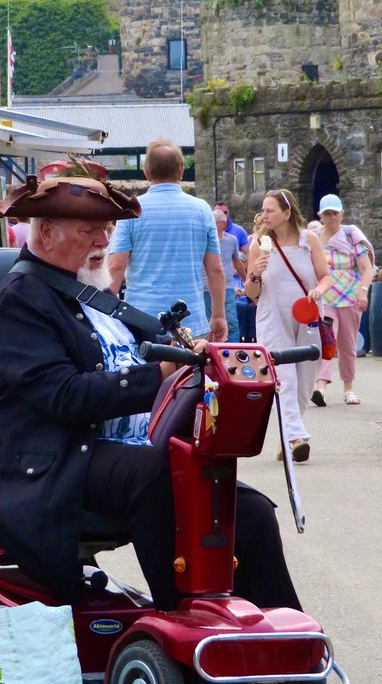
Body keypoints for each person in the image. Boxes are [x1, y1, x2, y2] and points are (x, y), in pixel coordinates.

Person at [0, 164, 303, 617]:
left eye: (107, 229)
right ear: (45, 233)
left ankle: (282, 640)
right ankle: (186, 618)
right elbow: (65, 397)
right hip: (49, 458)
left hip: (112, 447)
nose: (105, 241)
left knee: (240, 503)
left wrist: (195, 359)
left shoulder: (88, 292)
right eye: (90, 231)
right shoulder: (19, 299)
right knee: (151, 473)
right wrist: (161, 371)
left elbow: (129, 364)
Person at [107, 141, 227, 341]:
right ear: (181, 171)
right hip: (191, 320)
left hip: (140, 321)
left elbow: (116, 266)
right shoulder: (202, 210)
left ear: (146, 172)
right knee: (190, 373)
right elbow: (215, 269)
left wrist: (106, 315)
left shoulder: (133, 211)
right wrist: (218, 315)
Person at [244, 189, 331, 463]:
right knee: (286, 379)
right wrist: (256, 273)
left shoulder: (309, 240)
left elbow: (325, 277)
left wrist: (318, 290)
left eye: (270, 210)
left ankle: (288, 437)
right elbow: (251, 293)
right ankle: (297, 436)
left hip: (306, 315)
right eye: (263, 210)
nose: (264, 215)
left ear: (286, 213)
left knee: (305, 381)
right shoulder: (263, 244)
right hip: (272, 316)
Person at [310, 194, 374, 407]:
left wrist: (363, 291)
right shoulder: (313, 237)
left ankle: (349, 388)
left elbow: (366, 268)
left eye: (334, 213)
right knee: (326, 340)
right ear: (320, 215)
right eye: (327, 213)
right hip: (325, 294)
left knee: (348, 343)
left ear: (341, 213)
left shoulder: (351, 235)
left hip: (350, 295)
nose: (331, 217)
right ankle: (321, 386)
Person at [205, 209, 247, 342]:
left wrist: (247, 281)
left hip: (227, 286)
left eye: (214, 222)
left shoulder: (232, 240)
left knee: (231, 321)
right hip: (205, 286)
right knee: (208, 322)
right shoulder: (205, 240)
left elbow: (237, 262)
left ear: (223, 224)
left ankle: (233, 348)